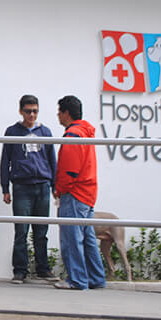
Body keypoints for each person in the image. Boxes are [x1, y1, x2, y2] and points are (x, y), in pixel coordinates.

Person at [0, 95, 56, 284]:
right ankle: (20, 271)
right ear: (21, 111)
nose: (32, 114)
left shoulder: (45, 132)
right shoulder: (12, 132)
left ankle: (43, 269)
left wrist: (55, 186)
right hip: (22, 186)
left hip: (42, 185)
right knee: (21, 231)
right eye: (28, 111)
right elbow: (5, 161)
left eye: (35, 111)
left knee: (41, 231)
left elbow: (52, 160)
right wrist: (4, 188)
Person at [53, 95, 107, 291]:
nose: (58, 114)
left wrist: (60, 189)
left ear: (66, 113)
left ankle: (77, 280)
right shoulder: (85, 133)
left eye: (59, 111)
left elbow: (69, 170)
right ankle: (96, 278)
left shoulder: (73, 136)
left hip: (74, 193)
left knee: (72, 238)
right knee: (88, 238)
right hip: (88, 192)